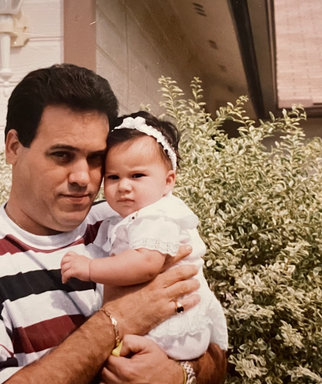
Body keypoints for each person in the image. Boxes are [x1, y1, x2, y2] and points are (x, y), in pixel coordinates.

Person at [0, 64, 227, 384]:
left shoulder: (129, 225)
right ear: (14, 147)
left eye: (95, 158)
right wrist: (117, 320)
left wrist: (179, 379)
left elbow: (214, 353)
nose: (82, 177)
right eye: (62, 155)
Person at [60, 112, 228, 361]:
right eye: (113, 177)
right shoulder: (130, 215)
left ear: (168, 181)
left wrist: (90, 268)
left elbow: (146, 264)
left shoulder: (157, 215)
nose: (124, 186)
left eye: (137, 176)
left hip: (174, 326)